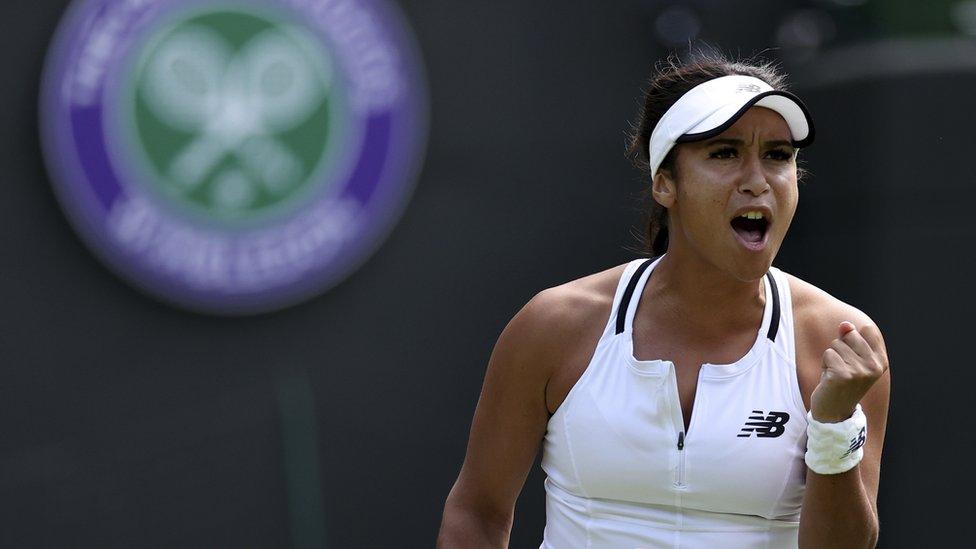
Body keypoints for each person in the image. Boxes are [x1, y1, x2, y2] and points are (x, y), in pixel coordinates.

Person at [436, 50, 890, 549]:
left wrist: (832, 427)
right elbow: (476, 515)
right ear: (665, 183)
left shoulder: (840, 343)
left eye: (778, 155)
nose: (758, 180)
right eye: (724, 152)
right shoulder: (555, 325)